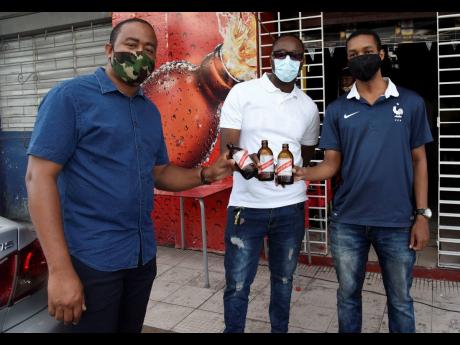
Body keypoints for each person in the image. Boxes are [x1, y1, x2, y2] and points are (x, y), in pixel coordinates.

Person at [25, 17, 234, 333]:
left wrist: (207, 174)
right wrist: (60, 271)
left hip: (140, 259)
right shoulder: (70, 98)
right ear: (110, 50)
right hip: (91, 261)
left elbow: (160, 173)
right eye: (131, 45)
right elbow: (38, 178)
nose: (141, 55)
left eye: (149, 49)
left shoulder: (148, 110)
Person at [294, 29, 433, 333]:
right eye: (354, 54)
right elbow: (331, 164)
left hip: (397, 221)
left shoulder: (410, 103)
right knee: (347, 296)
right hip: (348, 222)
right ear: (348, 61)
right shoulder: (337, 110)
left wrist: (422, 215)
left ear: (381, 55)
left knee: (400, 300)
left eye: (367, 51)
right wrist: (302, 172)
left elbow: (420, 160)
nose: (361, 58)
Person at [219, 34, 320, 333]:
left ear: (302, 62)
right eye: (281, 54)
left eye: (294, 56)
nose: (287, 61)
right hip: (246, 207)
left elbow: (307, 152)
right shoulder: (243, 93)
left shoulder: (308, 107)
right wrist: (254, 169)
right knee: (237, 283)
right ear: (271, 57)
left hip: (290, 208)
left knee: (284, 280)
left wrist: (287, 168)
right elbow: (229, 148)